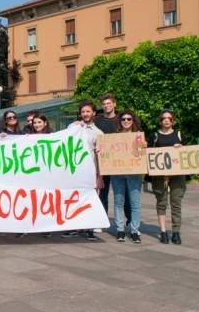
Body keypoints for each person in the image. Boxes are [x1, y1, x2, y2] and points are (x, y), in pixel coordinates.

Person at [62, 101, 104, 241]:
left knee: (90, 200)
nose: (85, 114)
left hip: (90, 172)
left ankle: (89, 229)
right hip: (74, 172)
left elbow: (100, 157)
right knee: (73, 198)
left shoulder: (99, 133)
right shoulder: (73, 127)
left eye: (88, 111)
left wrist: (100, 176)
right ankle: (73, 227)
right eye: (83, 112)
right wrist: (74, 126)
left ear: (94, 113)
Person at [94, 93, 131, 223]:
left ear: (114, 104)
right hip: (103, 161)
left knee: (123, 192)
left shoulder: (122, 119)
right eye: (104, 104)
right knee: (102, 192)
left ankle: (130, 218)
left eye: (109, 103)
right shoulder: (97, 121)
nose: (106, 106)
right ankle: (102, 220)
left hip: (119, 163)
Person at [151, 109, 186, 245]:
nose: (166, 120)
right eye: (164, 118)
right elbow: (148, 152)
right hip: (160, 175)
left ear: (173, 121)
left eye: (169, 118)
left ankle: (176, 231)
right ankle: (163, 231)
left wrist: (181, 147)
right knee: (161, 202)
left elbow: (187, 153)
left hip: (177, 175)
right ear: (160, 121)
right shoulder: (154, 136)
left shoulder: (179, 134)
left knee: (176, 203)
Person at [111, 109, 145, 243]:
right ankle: (120, 229)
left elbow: (141, 155)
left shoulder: (138, 136)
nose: (126, 121)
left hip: (134, 174)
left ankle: (134, 230)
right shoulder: (114, 137)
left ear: (133, 121)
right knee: (119, 202)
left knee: (134, 203)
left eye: (129, 119)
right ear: (120, 121)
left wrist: (144, 147)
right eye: (123, 119)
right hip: (117, 173)